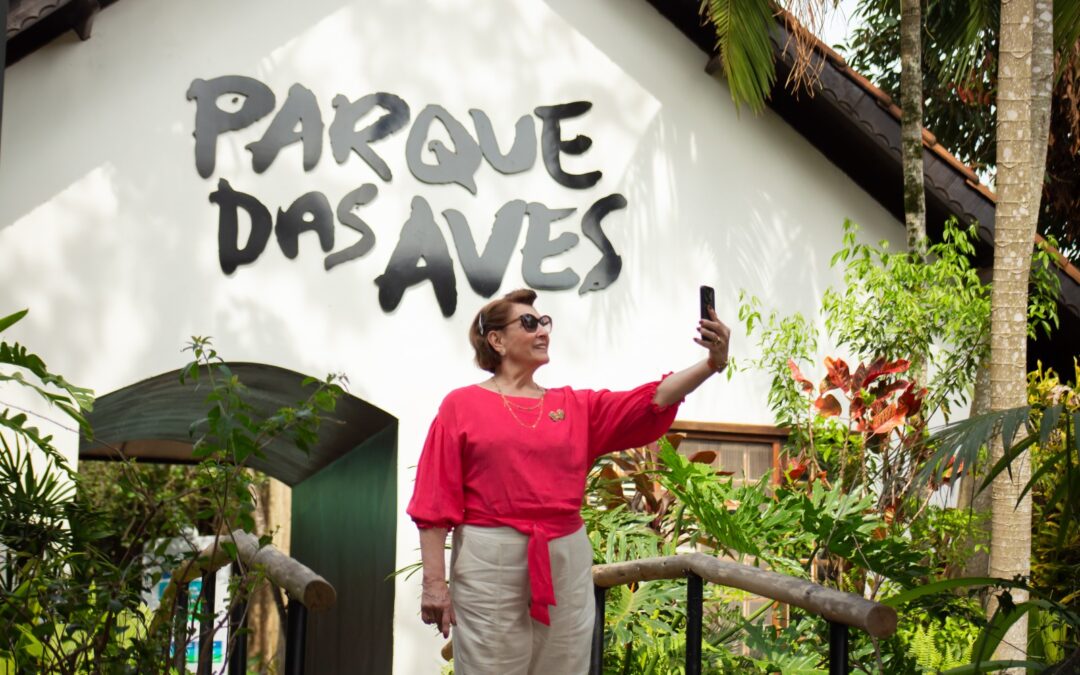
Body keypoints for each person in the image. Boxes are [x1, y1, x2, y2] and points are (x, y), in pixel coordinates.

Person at [407, 288, 730, 674]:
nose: (543, 331)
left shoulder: (574, 407)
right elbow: (434, 500)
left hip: (564, 553)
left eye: (545, 322)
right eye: (529, 323)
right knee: (488, 665)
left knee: (565, 664)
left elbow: (652, 399)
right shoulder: (461, 405)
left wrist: (711, 364)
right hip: (488, 556)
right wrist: (434, 584)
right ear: (497, 340)